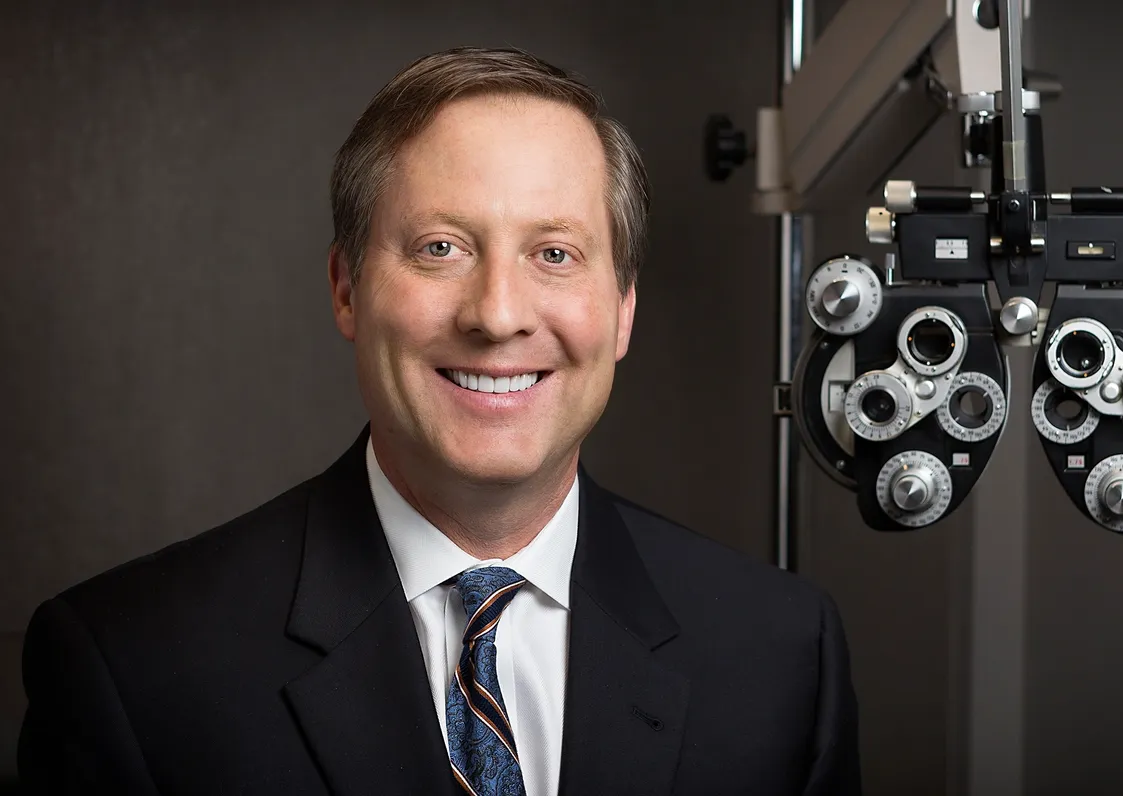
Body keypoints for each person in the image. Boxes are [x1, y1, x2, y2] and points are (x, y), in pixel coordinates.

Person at [16, 47, 862, 795]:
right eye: (440, 249)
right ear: (347, 289)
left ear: (623, 311)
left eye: (554, 254)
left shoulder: (783, 655)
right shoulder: (132, 666)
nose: (497, 317)